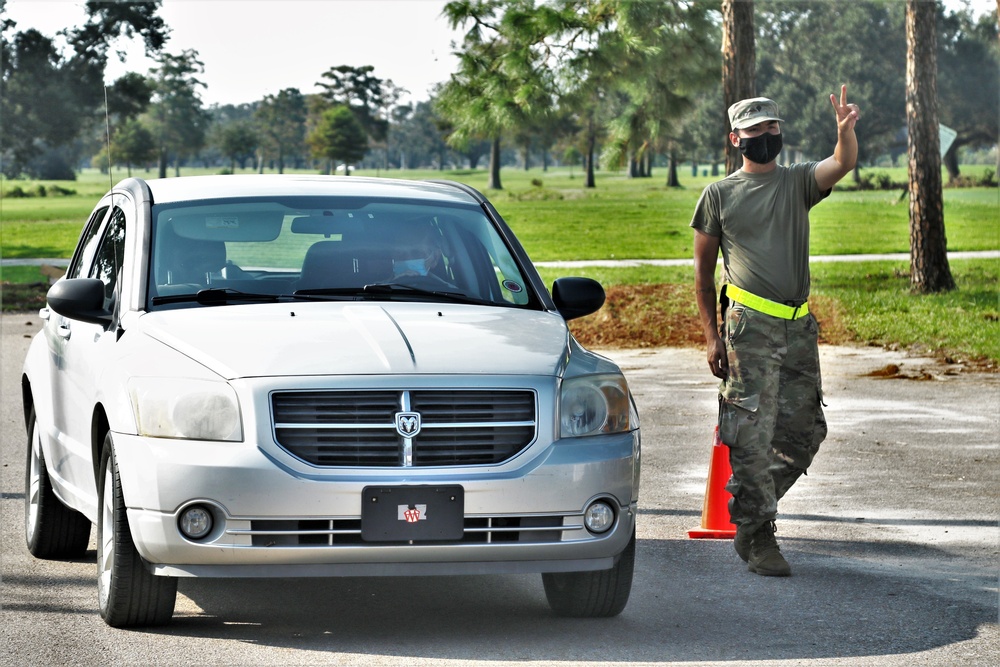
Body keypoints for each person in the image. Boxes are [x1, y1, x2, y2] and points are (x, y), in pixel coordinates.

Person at [690, 85, 860, 577]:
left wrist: (844, 134)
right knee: (751, 433)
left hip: (798, 325)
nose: (766, 136)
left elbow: (840, 164)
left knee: (806, 431)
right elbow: (702, 277)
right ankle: (759, 532)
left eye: (772, 127)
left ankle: (747, 508)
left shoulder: (798, 182)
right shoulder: (718, 195)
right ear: (735, 139)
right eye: (755, 130)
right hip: (748, 327)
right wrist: (710, 336)